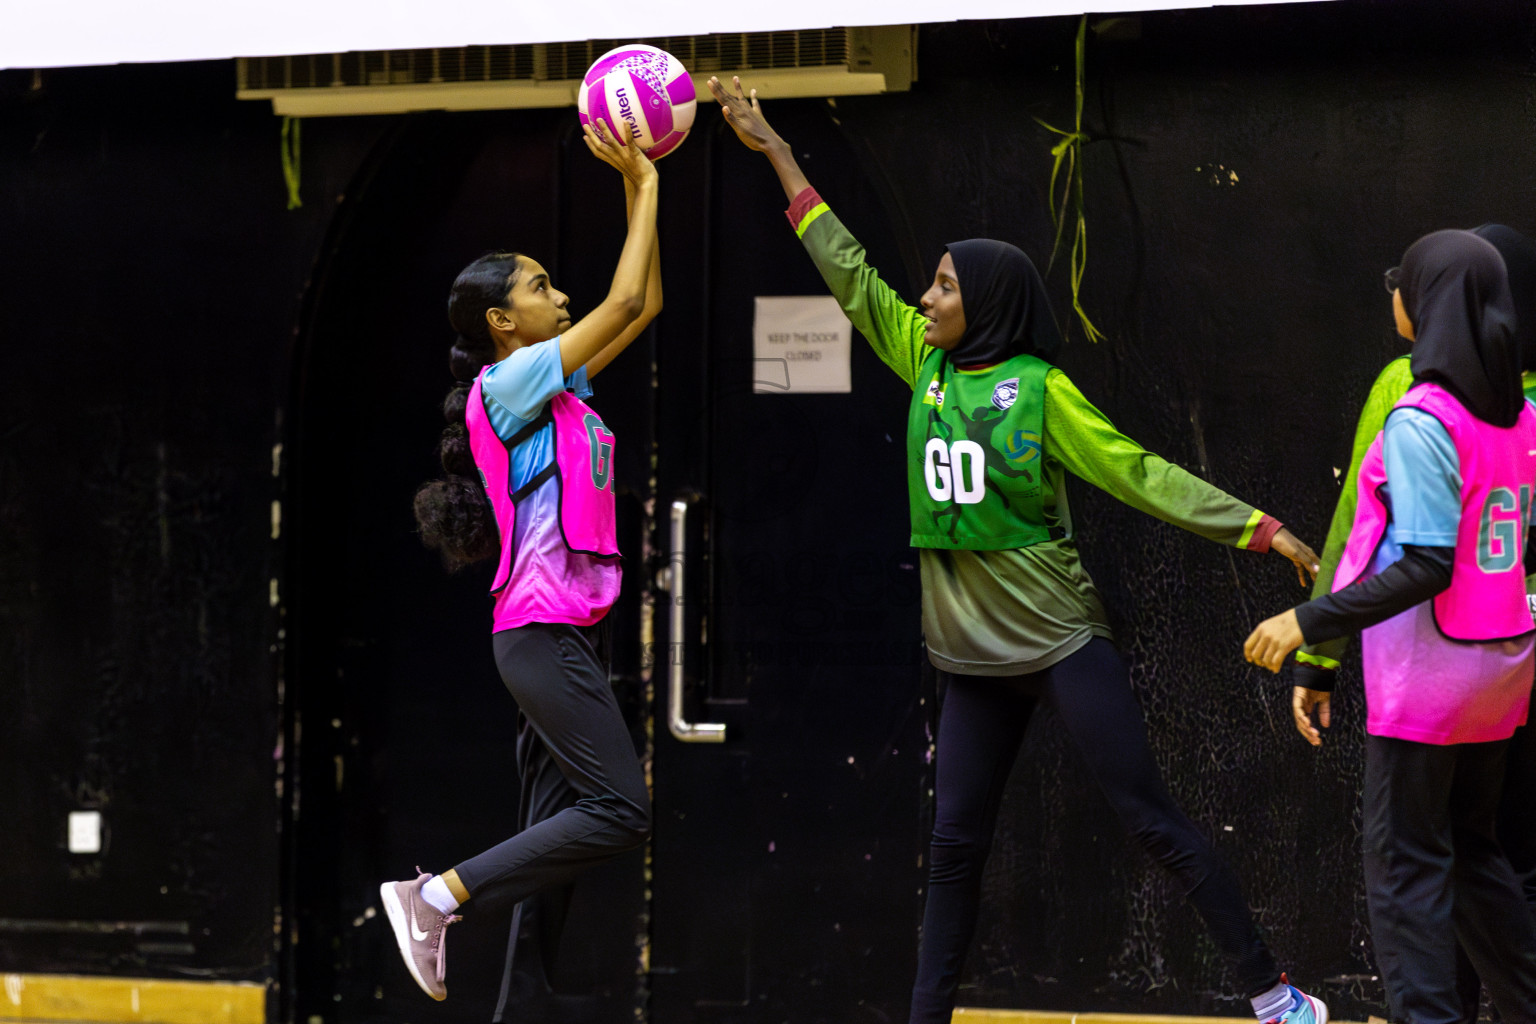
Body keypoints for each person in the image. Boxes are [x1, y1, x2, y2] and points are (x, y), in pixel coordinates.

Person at [707, 76, 1327, 1024]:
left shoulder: (1038, 391)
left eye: (947, 285)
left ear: (987, 301)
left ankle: (1274, 995)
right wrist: (777, 151)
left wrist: (1265, 529)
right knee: (955, 846)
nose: (927, 294)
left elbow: (1140, 472)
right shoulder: (921, 356)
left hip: (1055, 638)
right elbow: (847, 269)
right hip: (968, 655)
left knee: (1149, 821)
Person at [378, 116, 660, 1006]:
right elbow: (618, 305)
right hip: (538, 635)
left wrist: (637, 178)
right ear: (504, 321)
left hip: (566, 635)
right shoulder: (505, 386)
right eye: (541, 288)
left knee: (552, 858)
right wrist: (647, 186)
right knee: (621, 810)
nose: (562, 296)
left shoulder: (557, 386)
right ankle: (432, 897)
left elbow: (641, 305)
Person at [1245, 230, 1536, 1024]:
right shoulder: (1522, 417)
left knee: (1405, 876)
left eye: (1399, 282)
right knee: (1476, 856)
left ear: (1430, 301)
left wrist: (1306, 623)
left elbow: (1422, 563)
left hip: (1430, 685)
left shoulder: (1421, 419)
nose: (1394, 296)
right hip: (1501, 676)